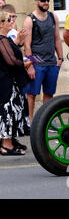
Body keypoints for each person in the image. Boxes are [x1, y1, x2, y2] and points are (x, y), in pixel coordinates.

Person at [23, 0, 64, 123]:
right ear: (36, 1)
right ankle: (31, 120)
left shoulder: (53, 17)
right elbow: (27, 45)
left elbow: (57, 38)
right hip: (37, 63)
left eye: (47, 0)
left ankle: (46, 121)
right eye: (43, 0)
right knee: (32, 94)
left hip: (51, 62)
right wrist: (30, 66)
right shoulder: (30, 19)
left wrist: (60, 58)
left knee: (49, 93)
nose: (46, 2)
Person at [0, 10, 29, 155]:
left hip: (9, 81)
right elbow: (11, 61)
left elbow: (12, 51)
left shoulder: (6, 39)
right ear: (1, 24)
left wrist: (18, 40)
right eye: (8, 19)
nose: (12, 21)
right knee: (7, 112)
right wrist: (26, 64)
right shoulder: (1, 39)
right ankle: (6, 145)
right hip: (6, 83)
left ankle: (9, 142)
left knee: (11, 111)